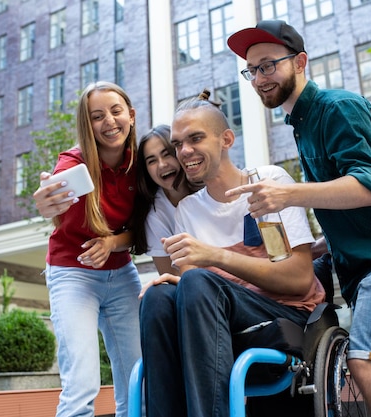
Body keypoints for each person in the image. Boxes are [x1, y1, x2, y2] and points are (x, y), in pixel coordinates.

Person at [226, 20, 371, 417]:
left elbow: (368, 187)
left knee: (366, 364)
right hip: (361, 264)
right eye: (251, 70)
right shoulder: (302, 123)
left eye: (268, 65)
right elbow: (347, 203)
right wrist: (320, 243)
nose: (259, 78)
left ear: (300, 61)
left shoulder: (339, 107)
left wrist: (287, 194)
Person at [138, 90, 325, 417]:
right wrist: (177, 284)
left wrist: (214, 258)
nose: (184, 152)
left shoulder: (267, 183)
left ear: (226, 139)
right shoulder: (187, 211)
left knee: (197, 280)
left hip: (285, 313)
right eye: (178, 143)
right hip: (218, 321)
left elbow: (298, 279)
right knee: (158, 297)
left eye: (195, 138)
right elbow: (199, 295)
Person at [33, 81, 142, 417]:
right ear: (87, 124)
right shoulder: (71, 163)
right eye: (97, 116)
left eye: (115, 111)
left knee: (137, 377)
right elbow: (52, 192)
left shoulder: (141, 164)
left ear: (131, 116)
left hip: (121, 273)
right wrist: (46, 200)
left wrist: (111, 243)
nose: (109, 121)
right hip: (72, 274)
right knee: (82, 382)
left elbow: (140, 232)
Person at [131, 124, 202, 275]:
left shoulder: (209, 189)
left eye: (167, 154)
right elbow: (169, 275)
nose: (162, 165)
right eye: (152, 161)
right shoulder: (155, 213)